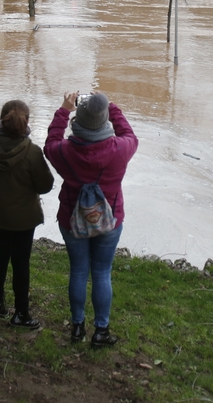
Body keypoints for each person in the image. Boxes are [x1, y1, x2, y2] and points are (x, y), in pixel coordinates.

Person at [44, 91, 138, 347]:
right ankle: (101, 331)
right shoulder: (120, 149)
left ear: (78, 121)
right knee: (101, 272)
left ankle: (77, 327)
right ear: (104, 118)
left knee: (78, 271)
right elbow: (130, 134)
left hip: (71, 220)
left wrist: (64, 109)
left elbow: (50, 141)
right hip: (109, 221)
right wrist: (111, 106)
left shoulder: (64, 151)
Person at [0, 100, 54, 329]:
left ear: (1, 119)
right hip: (24, 220)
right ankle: (21, 314)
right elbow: (45, 186)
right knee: (21, 263)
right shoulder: (32, 152)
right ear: (26, 122)